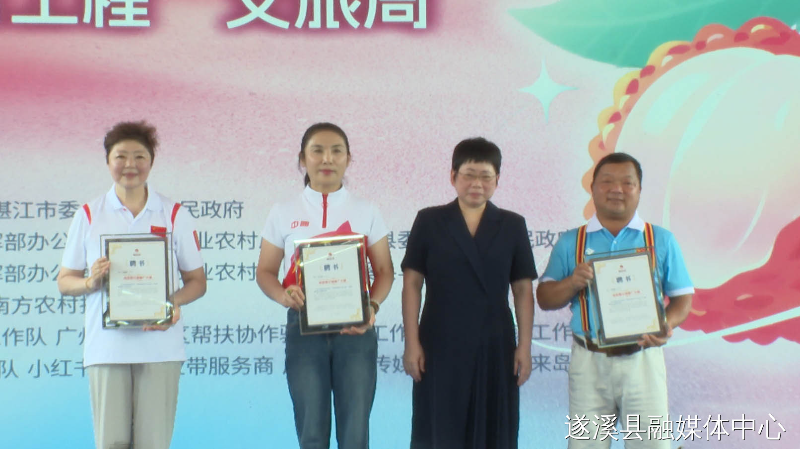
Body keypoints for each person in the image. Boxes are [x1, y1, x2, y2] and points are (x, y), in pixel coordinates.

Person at [57, 121, 207, 449]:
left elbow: (197, 282)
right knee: (111, 442)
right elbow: (65, 282)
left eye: (140, 156)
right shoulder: (89, 214)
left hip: (160, 346)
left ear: (152, 161)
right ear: (107, 161)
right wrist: (90, 281)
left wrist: (172, 303)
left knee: (154, 442)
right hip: (107, 347)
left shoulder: (174, 214)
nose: (130, 165)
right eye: (120, 156)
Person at [536, 152, 694, 448]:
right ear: (593, 188)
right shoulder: (571, 242)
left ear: (639, 189)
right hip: (589, 361)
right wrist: (572, 282)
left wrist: (666, 324)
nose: (616, 189)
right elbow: (544, 297)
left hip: (643, 360)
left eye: (627, 182)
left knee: (651, 444)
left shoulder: (661, 240)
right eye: (607, 181)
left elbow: (683, 299)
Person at [256, 122, 394, 449]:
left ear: (348, 159)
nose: (327, 159)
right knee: (312, 433)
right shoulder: (283, 211)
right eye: (317, 151)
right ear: (302, 159)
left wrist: (371, 306)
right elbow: (265, 272)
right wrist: (283, 296)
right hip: (303, 330)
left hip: (356, 330)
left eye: (336, 151)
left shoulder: (366, 210)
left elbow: (384, 271)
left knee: (355, 433)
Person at [401, 137, 537, 449]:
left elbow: (522, 289)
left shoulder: (512, 224)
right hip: (439, 340)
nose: (477, 184)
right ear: (453, 176)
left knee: (493, 426)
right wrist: (412, 342)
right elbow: (412, 283)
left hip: (495, 341)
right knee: (440, 425)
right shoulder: (429, 220)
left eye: (486, 176)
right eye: (469, 175)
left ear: (497, 180)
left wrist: (524, 347)